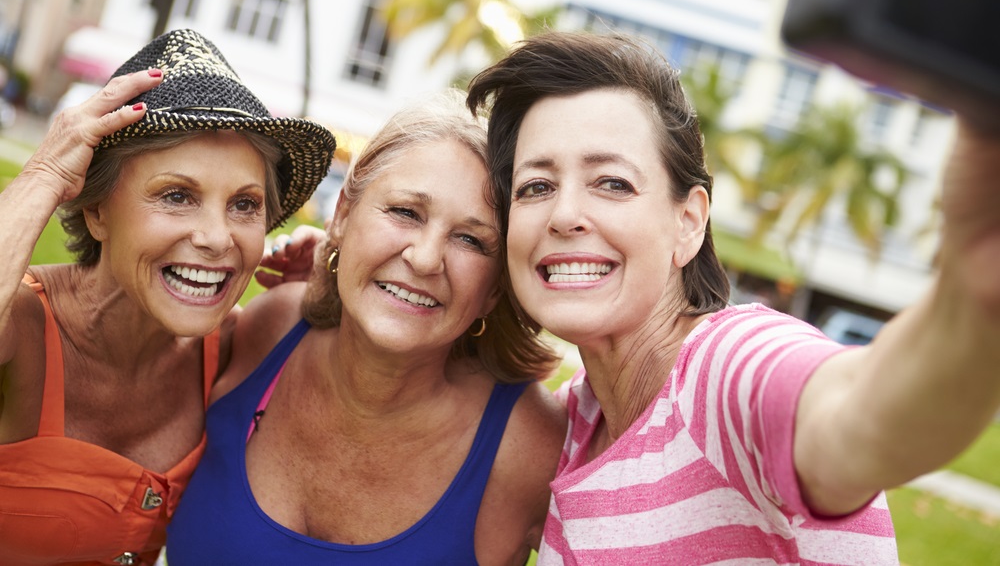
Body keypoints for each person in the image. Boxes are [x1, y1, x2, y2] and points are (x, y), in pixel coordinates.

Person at [465, 30, 1000, 564]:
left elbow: (860, 419)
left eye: (612, 183)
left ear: (688, 222)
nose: (563, 216)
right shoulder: (576, 419)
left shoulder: (723, 368)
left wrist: (975, 293)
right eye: (536, 187)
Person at [164, 90, 567, 565]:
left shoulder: (528, 444)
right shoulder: (269, 328)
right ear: (343, 216)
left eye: (470, 240)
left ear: (496, 289)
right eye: (405, 212)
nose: (424, 258)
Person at [0, 28, 337, 566]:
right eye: (177, 196)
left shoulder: (229, 350)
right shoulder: (21, 326)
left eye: (245, 205)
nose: (217, 237)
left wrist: (330, 283)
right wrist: (43, 175)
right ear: (97, 211)